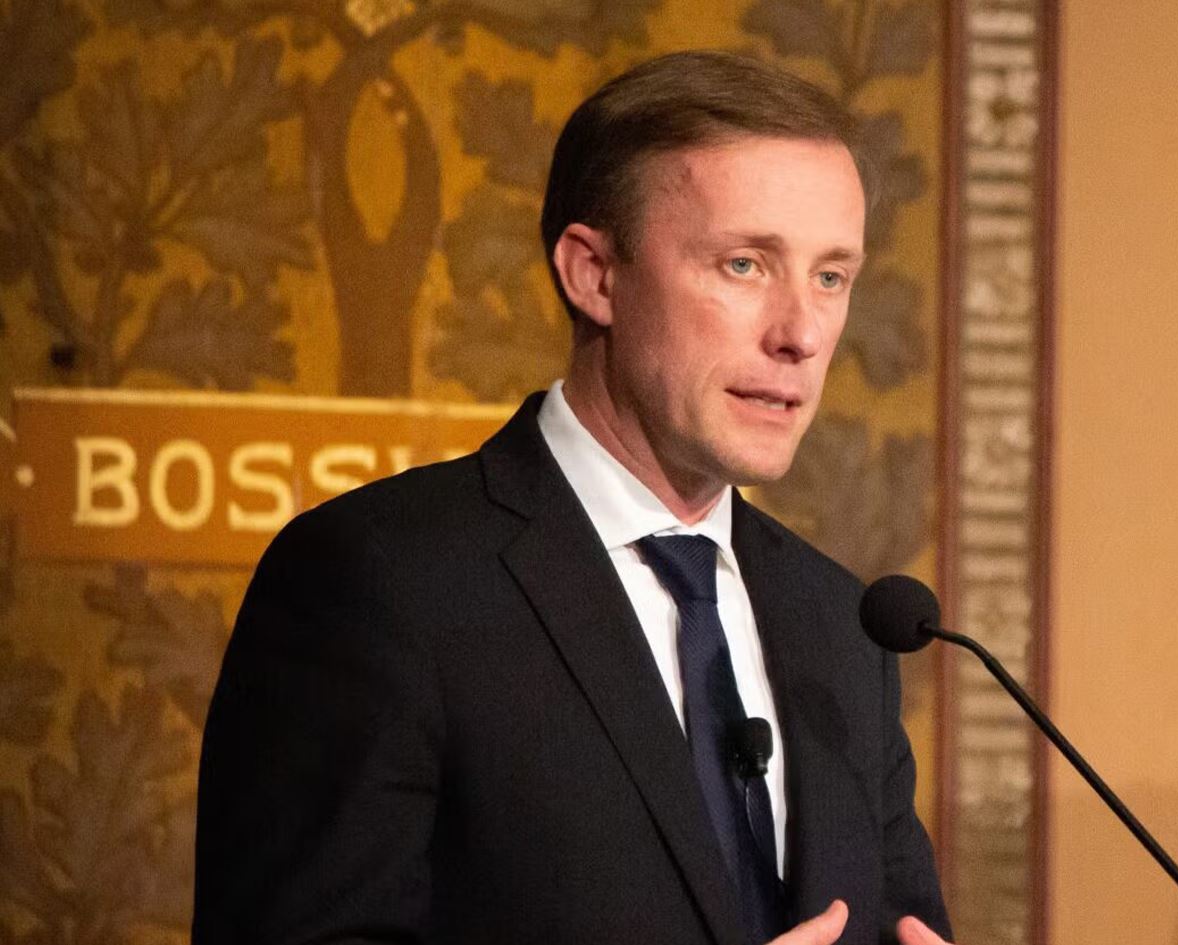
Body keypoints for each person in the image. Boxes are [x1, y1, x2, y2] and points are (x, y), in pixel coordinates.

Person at [193, 50, 952, 945]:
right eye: (745, 264)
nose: (802, 334)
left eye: (831, 277)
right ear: (593, 274)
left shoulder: (840, 625)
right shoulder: (383, 582)